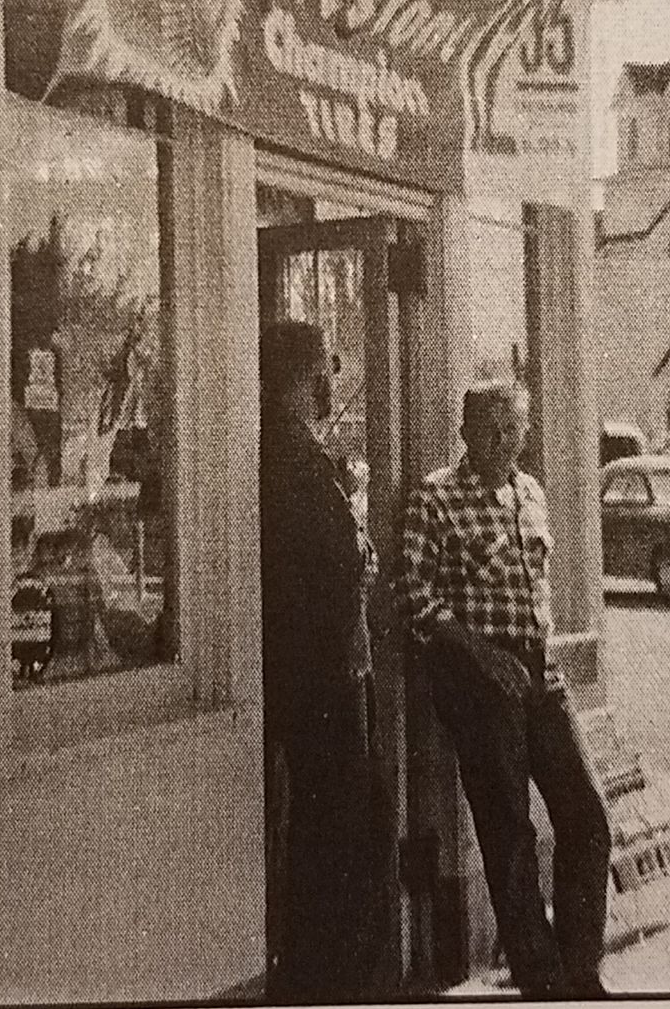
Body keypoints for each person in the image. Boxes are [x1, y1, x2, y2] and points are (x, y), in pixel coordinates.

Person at [399, 382, 612, 1000]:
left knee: (586, 815)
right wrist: (484, 657)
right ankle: (540, 980)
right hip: (482, 685)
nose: (503, 442)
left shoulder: (532, 494)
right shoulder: (435, 500)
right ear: (464, 431)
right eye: (490, 428)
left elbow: (538, 592)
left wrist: (544, 659)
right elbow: (415, 598)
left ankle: (579, 969)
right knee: (509, 833)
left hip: (541, 677)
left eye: (514, 429)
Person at [258, 321, 382, 1003]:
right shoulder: (293, 457)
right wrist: (361, 553)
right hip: (321, 672)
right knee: (336, 821)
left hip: (313, 666)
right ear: (311, 376)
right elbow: (337, 561)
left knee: (324, 819)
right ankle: (328, 975)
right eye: (327, 368)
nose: (332, 383)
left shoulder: (293, 452)